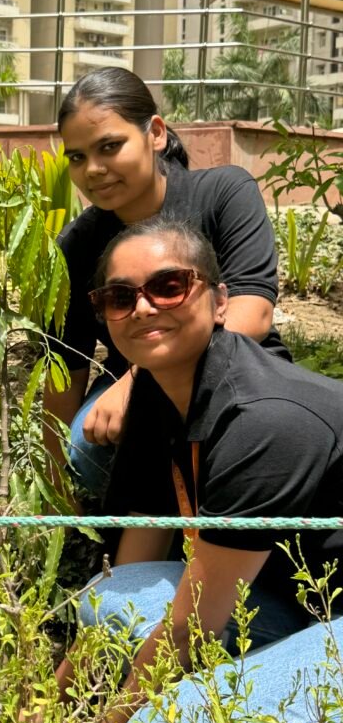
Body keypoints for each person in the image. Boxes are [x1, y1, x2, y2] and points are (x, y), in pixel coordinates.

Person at [13, 220, 343, 723]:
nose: (143, 307)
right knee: (109, 598)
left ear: (219, 301)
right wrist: (50, 704)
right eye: (119, 296)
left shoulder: (265, 421)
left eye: (169, 286)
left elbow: (193, 628)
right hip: (301, 604)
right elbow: (132, 567)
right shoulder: (159, 393)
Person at [46, 67, 288, 504]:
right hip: (142, 395)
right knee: (87, 449)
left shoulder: (223, 194)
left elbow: (252, 313)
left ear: (155, 133)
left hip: (241, 369)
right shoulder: (78, 246)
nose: (93, 170)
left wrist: (140, 380)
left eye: (109, 146)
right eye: (77, 157)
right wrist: (51, 490)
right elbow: (66, 367)